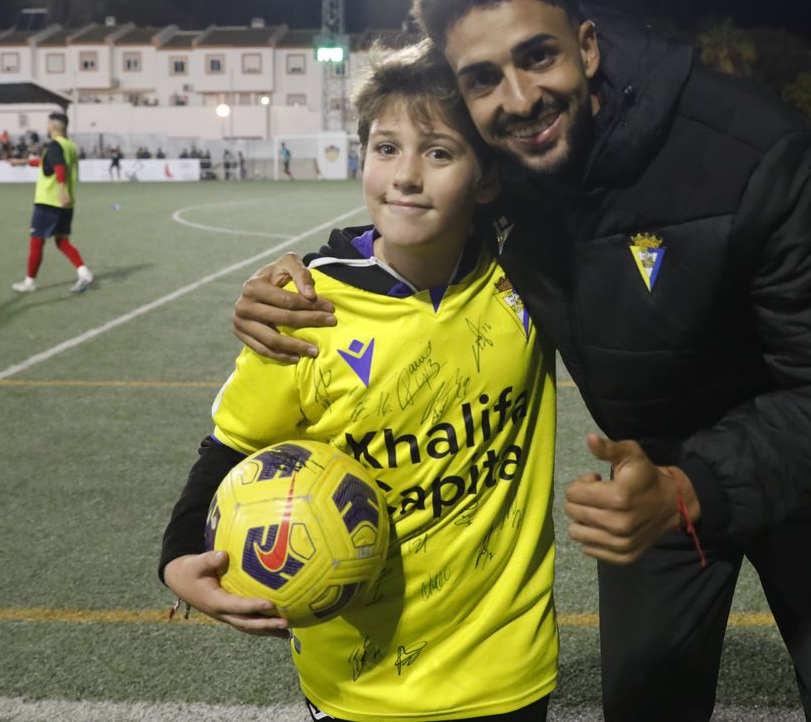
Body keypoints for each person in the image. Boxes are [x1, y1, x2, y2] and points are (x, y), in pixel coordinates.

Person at [232, 0, 811, 722]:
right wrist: (309, 273)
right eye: (483, 78)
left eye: (538, 57)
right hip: (649, 471)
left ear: (586, 45)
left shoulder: (751, 149)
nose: (519, 99)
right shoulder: (503, 157)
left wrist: (693, 486)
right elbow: (418, 200)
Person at [161, 43, 558, 722]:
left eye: (438, 152)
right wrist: (176, 557)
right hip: (360, 684)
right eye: (385, 148)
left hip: (506, 667)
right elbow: (229, 446)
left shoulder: (527, 272)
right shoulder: (306, 309)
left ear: (487, 177)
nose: (405, 175)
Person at [10, 112, 93, 294]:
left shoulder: (55, 145)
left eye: (47, 125)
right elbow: (47, 163)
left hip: (49, 201)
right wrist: (22, 162)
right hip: (66, 204)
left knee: (36, 241)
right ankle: (83, 272)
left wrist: (61, 192)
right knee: (62, 242)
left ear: (53, 127)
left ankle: (29, 282)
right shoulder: (70, 146)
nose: (46, 127)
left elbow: (58, 168)